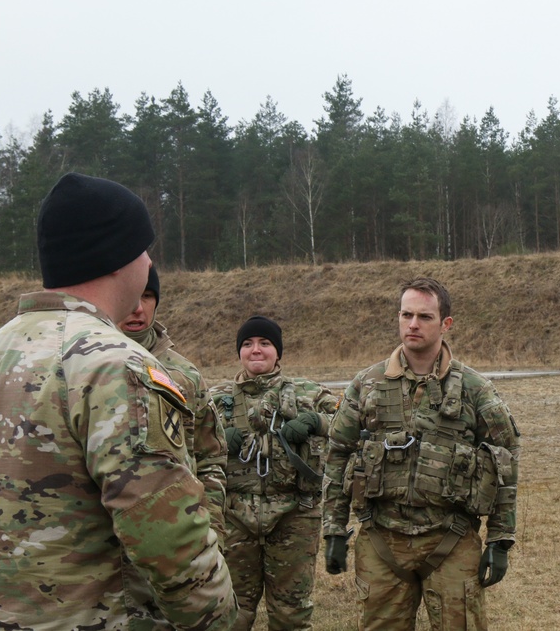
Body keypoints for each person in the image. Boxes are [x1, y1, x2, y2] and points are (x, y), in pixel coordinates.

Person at [0, 172, 237, 630]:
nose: (147, 261)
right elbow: (168, 539)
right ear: (118, 258)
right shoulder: (115, 365)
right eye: (144, 249)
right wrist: (217, 619)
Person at [323, 277, 521, 631]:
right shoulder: (366, 384)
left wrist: (500, 539)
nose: (413, 324)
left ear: (446, 324)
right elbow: (338, 452)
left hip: (451, 538)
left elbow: (505, 457)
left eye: (424, 317)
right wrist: (334, 529)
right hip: (381, 539)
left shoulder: (475, 390)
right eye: (406, 314)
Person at [210, 315, 338, 630]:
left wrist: (315, 422)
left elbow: (348, 425)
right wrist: (217, 441)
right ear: (238, 352)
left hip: (294, 516)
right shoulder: (215, 399)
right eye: (248, 344)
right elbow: (184, 442)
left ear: (278, 352)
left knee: (291, 615)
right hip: (234, 519)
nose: (256, 350)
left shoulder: (308, 392)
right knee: (230, 614)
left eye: (265, 344)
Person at [118, 265, 228, 544]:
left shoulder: (185, 376)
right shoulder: (85, 364)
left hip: (177, 534)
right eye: (128, 295)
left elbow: (210, 458)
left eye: (146, 296)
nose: (137, 308)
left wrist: (213, 530)